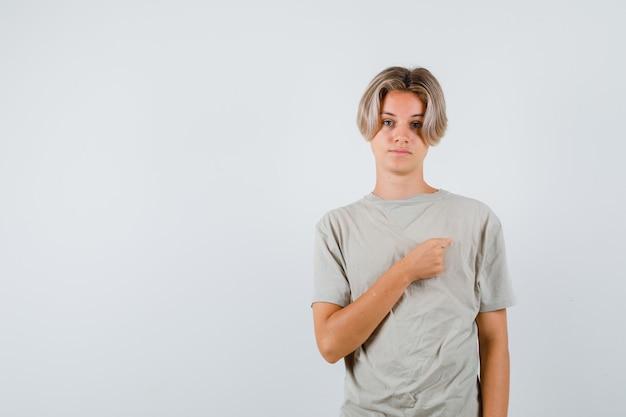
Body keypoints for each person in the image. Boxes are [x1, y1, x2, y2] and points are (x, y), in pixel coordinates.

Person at [312, 66, 516, 417]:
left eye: (416, 124)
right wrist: (405, 271)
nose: (401, 136)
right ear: (369, 128)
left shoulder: (477, 220)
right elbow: (331, 345)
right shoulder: (337, 227)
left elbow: (493, 340)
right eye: (388, 122)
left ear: (432, 131)